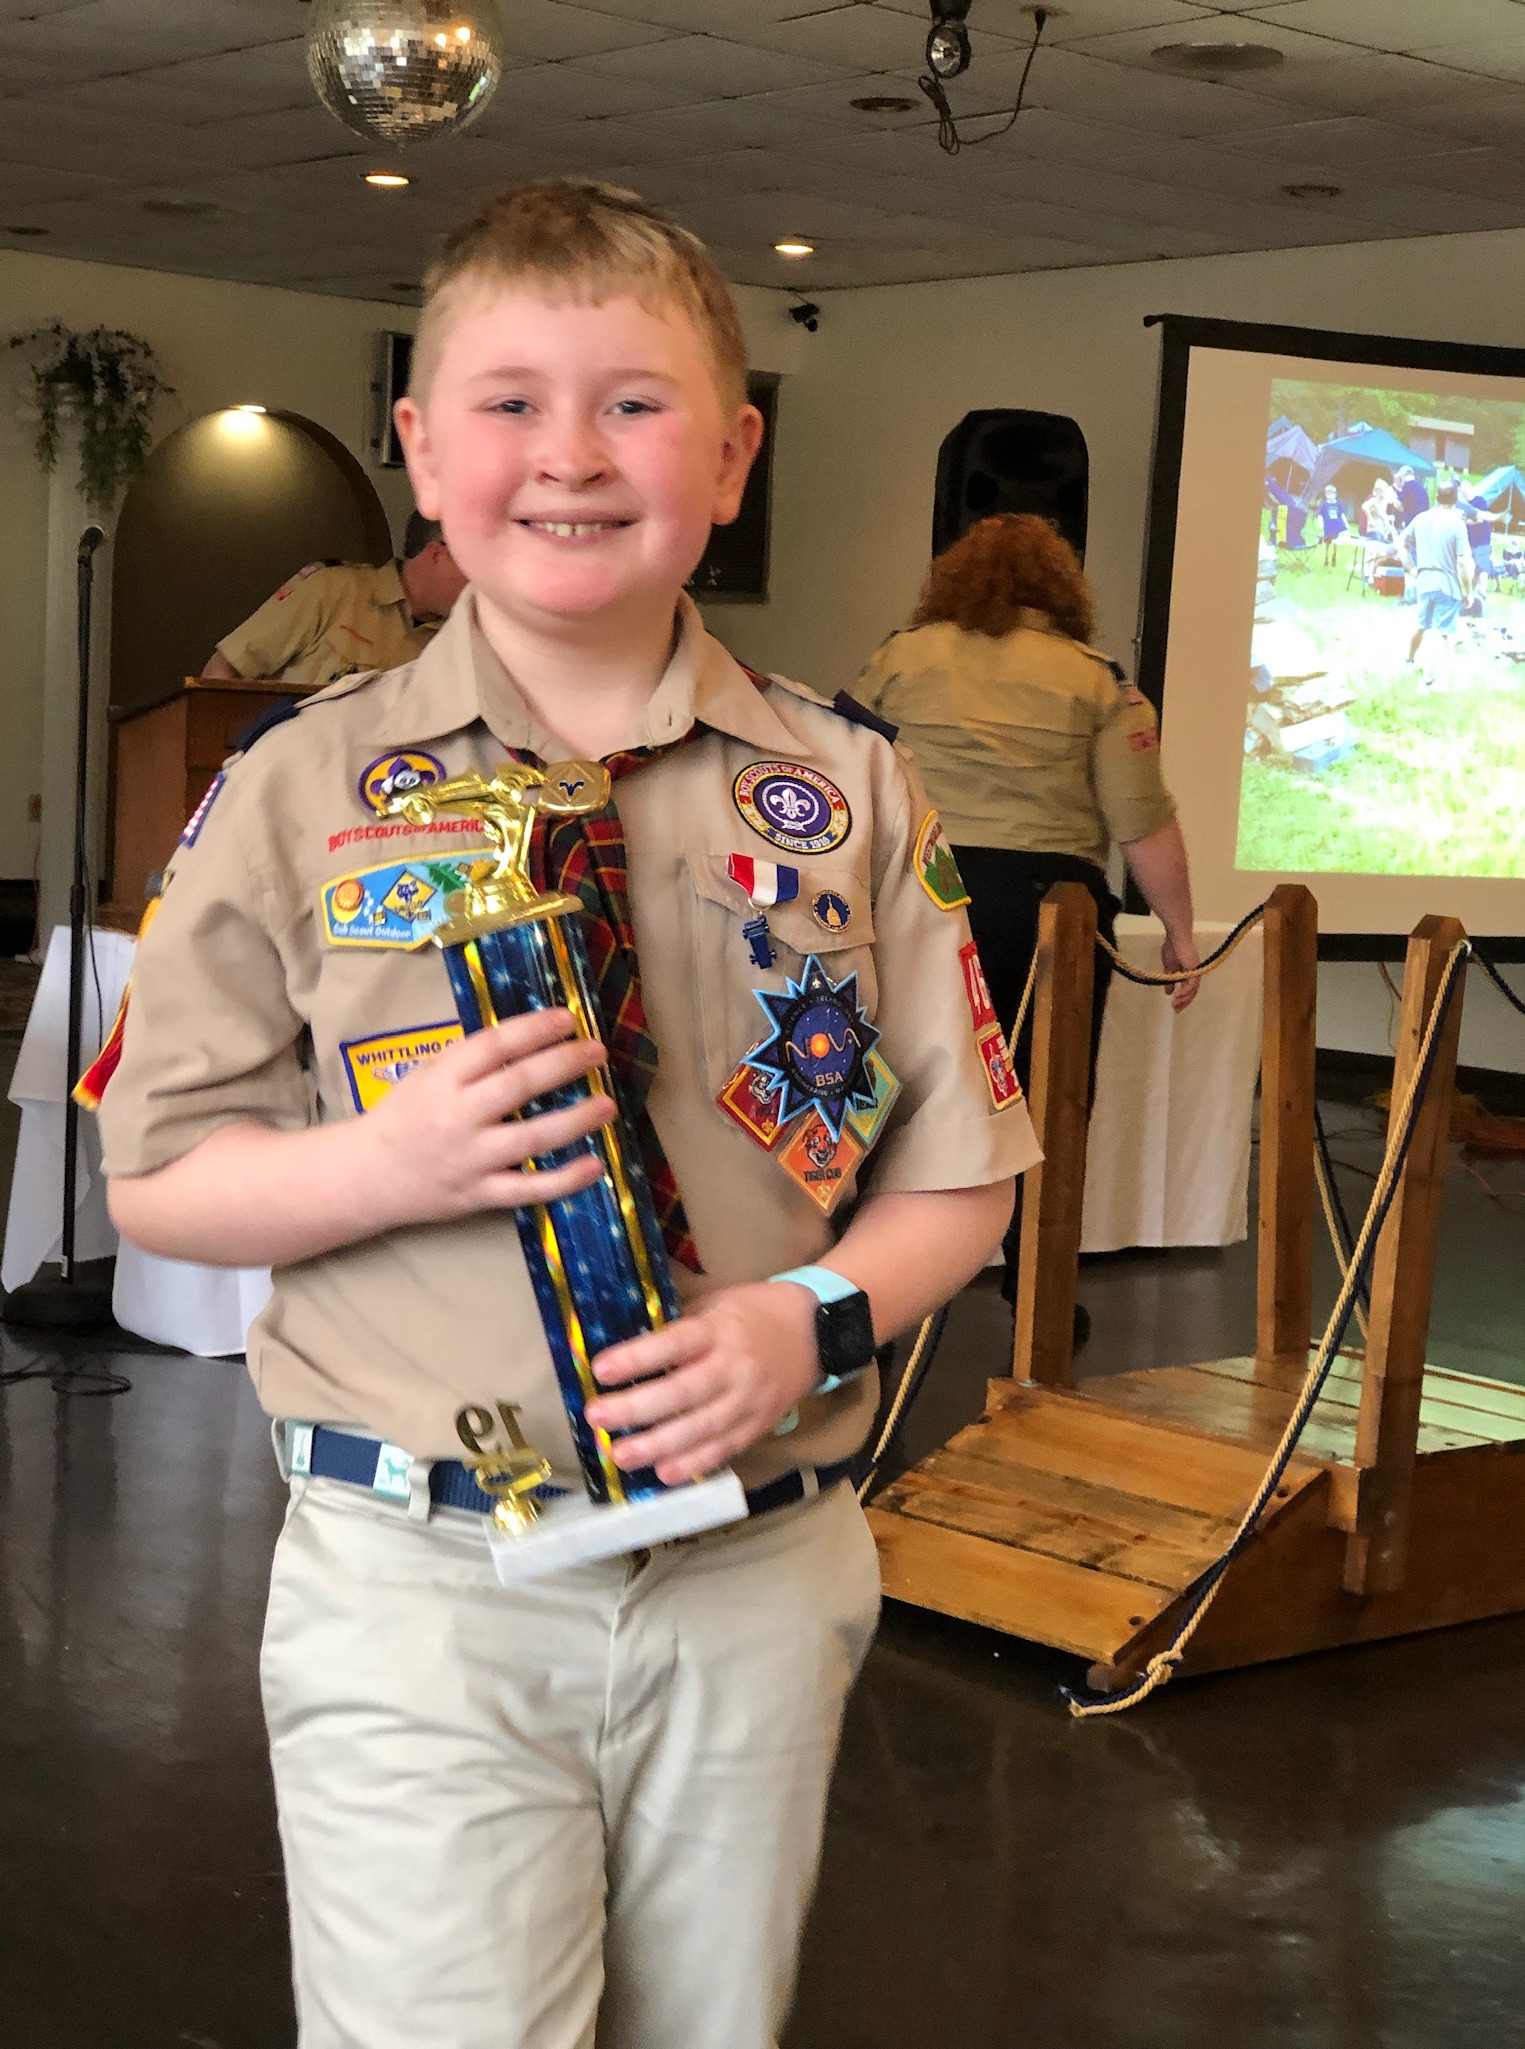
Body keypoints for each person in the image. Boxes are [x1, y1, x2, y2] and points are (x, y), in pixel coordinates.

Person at [94, 177, 1036, 2048]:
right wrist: (384, 1161)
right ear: (424, 451)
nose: (572, 455)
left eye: (635, 402)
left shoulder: (849, 787)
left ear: (732, 455)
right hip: (422, 1580)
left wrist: (807, 1319)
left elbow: (962, 1175)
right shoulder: (296, 785)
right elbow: (163, 1178)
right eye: (511, 402)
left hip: (754, 1570)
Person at [850, 515, 1199, 1311]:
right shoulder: (1096, 680)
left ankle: (878, 1297)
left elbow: (840, 769)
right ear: (1062, 589)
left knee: (893, 1097)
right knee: (1048, 1104)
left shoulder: (899, 657)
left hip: (916, 897)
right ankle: (1039, 1298)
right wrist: (1179, 930)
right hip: (1049, 915)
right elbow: (1141, 818)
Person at [200, 510, 467, 689]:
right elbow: (222, 672)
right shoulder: (333, 589)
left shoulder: (462, 637)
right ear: (437, 554)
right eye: (475, 562)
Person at [1400, 479, 1475, 680]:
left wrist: (1411, 568)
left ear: (1436, 497)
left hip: (1424, 581)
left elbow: (1402, 544)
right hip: (1446, 584)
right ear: (1455, 499)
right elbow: (1462, 562)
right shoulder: (1457, 524)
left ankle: (1409, 661)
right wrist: (1468, 592)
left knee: (1421, 625)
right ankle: (1429, 681)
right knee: (1442, 634)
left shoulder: (1421, 518)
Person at [1319, 483, 1347, 566]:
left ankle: (1334, 555)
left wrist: (1346, 523)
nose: (1329, 495)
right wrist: (1320, 522)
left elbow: (1341, 514)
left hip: (1336, 526)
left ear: (1335, 494)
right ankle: (1326, 557)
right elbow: (1321, 515)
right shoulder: (1324, 505)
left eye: (1331, 493)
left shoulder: (1338, 504)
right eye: (1327, 493)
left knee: (1335, 542)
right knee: (1327, 542)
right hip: (1328, 526)